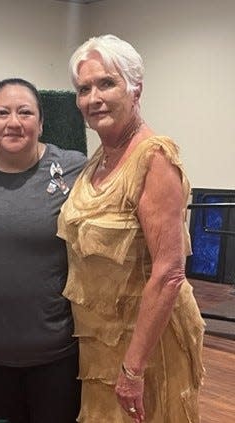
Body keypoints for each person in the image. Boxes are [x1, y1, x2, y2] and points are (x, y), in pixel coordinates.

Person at [57, 34, 205, 423]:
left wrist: (133, 370)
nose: (93, 98)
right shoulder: (100, 159)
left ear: (136, 88)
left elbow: (170, 273)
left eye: (107, 83)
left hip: (145, 347)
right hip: (99, 339)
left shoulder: (153, 158)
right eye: (83, 88)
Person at [0, 78, 86, 423]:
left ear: (41, 123)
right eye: (2, 112)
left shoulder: (76, 169)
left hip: (58, 352)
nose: (14, 122)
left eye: (25, 112)